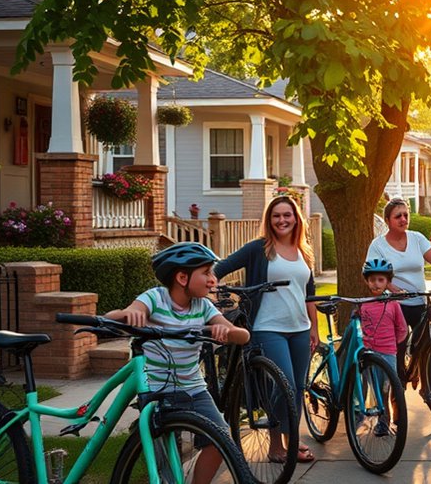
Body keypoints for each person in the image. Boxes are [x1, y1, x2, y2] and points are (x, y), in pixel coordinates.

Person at [106, 242, 249, 484]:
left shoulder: (203, 306)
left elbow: (242, 335)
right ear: (182, 277)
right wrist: (131, 314)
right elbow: (112, 317)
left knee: (221, 439)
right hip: (155, 391)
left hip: (193, 389)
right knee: (165, 468)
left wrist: (223, 330)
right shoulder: (154, 298)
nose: (213, 280)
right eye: (206, 273)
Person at [215, 195, 318, 463]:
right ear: (269, 220)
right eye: (276, 216)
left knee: (296, 388)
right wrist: (206, 291)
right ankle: (276, 446)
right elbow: (219, 268)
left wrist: (314, 328)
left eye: (287, 215)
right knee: (284, 384)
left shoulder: (303, 250)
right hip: (267, 327)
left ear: (296, 218)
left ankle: (290, 441)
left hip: (300, 328)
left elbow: (309, 294)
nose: (282, 220)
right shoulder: (258, 249)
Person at [367, 197, 431, 402]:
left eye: (406, 215)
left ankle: (428, 388)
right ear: (388, 220)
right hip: (394, 306)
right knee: (397, 353)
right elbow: (372, 273)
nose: (403, 219)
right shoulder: (378, 246)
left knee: (429, 342)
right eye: (398, 216)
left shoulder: (417, 238)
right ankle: (395, 401)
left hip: (420, 301)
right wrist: (392, 288)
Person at [360, 258, 408, 437]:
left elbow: (401, 328)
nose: (376, 284)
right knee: (373, 387)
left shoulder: (393, 304)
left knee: (387, 388)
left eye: (381, 280)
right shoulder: (363, 304)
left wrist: (392, 344)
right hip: (368, 353)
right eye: (372, 280)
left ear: (388, 282)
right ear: (367, 281)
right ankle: (365, 416)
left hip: (388, 353)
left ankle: (386, 420)